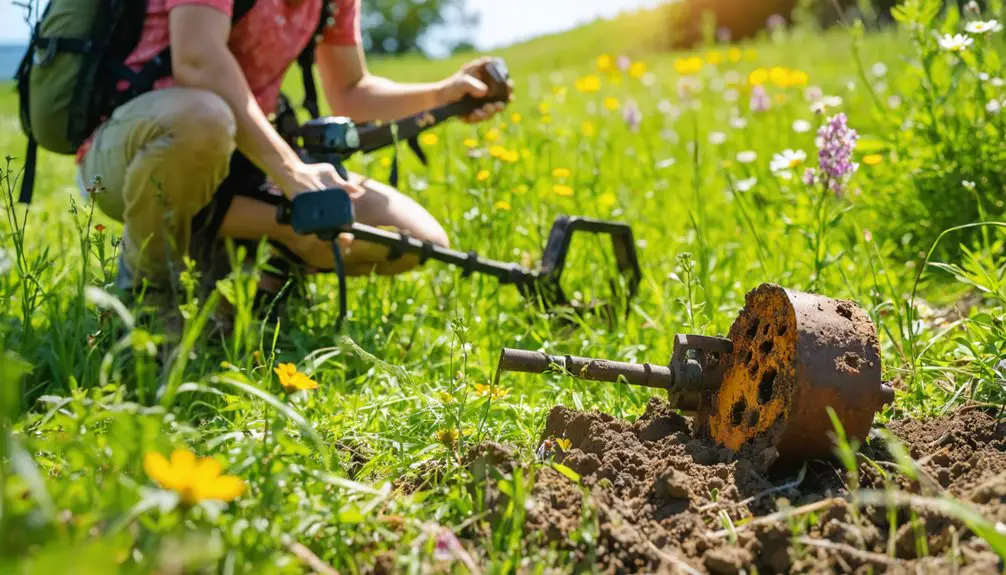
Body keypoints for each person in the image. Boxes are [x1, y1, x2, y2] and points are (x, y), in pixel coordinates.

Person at [75, 0, 511, 331]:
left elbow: (351, 90)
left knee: (415, 239)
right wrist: (291, 173)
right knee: (202, 119)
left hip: (243, 157)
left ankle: (253, 280)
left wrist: (444, 94)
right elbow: (196, 60)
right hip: (131, 152)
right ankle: (149, 305)